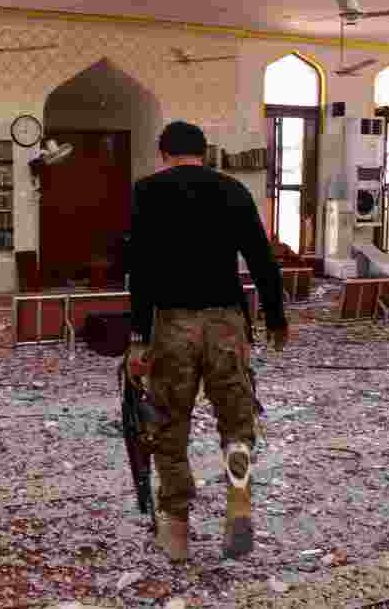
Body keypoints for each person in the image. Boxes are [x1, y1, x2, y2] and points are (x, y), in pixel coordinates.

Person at [126, 121, 290, 562]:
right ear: (206, 152)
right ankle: (238, 499)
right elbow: (261, 257)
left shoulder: (147, 191)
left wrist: (138, 338)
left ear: (163, 153)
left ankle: (176, 527)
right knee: (235, 421)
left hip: (173, 324)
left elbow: (139, 269)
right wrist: (275, 316)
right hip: (226, 324)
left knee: (168, 424)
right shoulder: (232, 190)